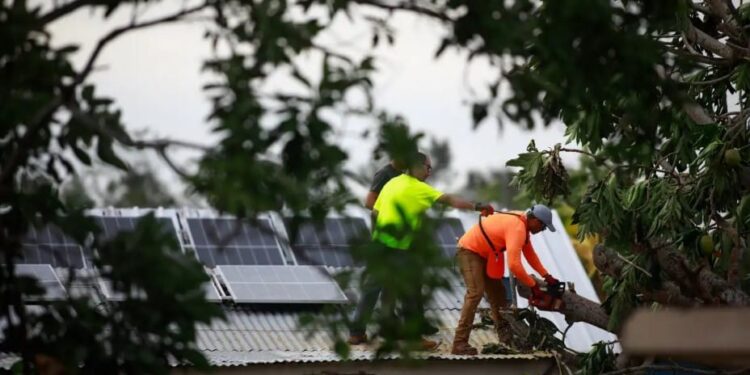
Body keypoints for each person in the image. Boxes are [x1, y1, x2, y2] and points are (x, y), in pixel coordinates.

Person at [349, 152, 494, 350]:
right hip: (399, 249)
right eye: (428, 167)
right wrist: (478, 206)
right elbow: (451, 201)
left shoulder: (392, 183)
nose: (429, 172)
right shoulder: (418, 188)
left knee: (371, 290)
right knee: (410, 293)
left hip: (380, 246)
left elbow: (375, 212)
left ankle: (356, 333)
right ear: (417, 167)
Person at [450, 204, 560, 355]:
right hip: (469, 251)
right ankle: (459, 343)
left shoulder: (523, 223)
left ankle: (507, 339)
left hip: (485, 255)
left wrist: (546, 276)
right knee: (476, 292)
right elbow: (514, 265)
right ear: (535, 219)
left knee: (498, 295)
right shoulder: (518, 228)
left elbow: (530, 254)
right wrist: (533, 285)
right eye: (543, 226)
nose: (542, 230)